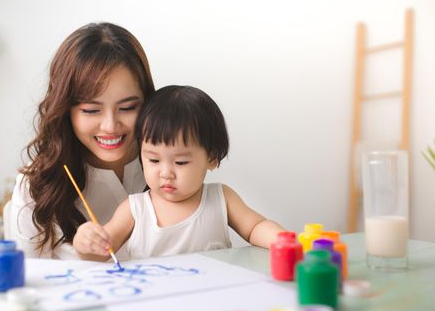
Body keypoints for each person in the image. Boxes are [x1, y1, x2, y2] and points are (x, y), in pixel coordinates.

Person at [73, 85, 286, 261]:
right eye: (153, 159)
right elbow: (101, 252)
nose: (166, 173)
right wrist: (87, 242)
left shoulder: (221, 198)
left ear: (211, 158)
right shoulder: (135, 209)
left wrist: (284, 241)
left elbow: (255, 227)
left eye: (181, 162)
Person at [7, 22, 155, 259]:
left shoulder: (170, 164)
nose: (109, 126)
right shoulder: (36, 187)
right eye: (90, 110)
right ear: (66, 110)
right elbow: (28, 284)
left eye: (127, 107)